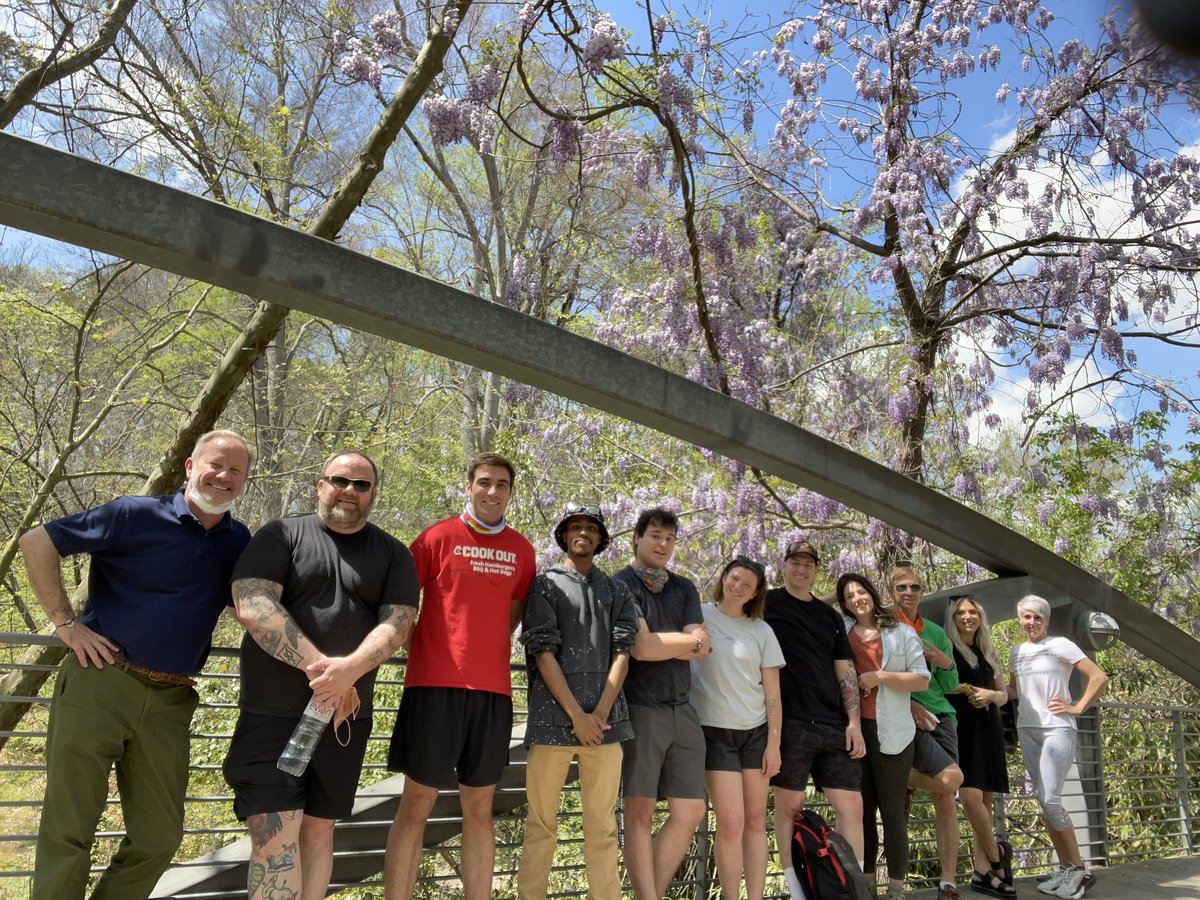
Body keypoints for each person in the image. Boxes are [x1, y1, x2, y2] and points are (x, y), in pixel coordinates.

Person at [22, 430, 252, 900]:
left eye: (235, 470)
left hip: (172, 698)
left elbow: (248, 606)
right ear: (191, 466)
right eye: (215, 464)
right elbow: (36, 541)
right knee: (70, 829)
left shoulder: (238, 539)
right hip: (101, 683)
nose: (223, 476)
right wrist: (66, 625)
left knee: (159, 837)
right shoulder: (133, 514)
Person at [224, 449, 420, 900]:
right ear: (320, 485)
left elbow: (399, 623)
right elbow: (253, 606)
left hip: (343, 722)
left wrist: (348, 672)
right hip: (272, 715)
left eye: (361, 485)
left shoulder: (393, 553)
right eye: (339, 480)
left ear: (373, 494)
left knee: (317, 833)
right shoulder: (281, 536)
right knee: (274, 839)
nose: (349, 491)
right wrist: (327, 675)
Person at [384, 452, 536, 900]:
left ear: (510, 492)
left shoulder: (523, 550)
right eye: (484, 482)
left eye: (502, 485)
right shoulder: (435, 537)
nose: (492, 492)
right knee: (416, 804)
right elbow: (401, 610)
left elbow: (511, 616)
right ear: (468, 486)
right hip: (433, 688)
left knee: (480, 810)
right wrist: (434, 653)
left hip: (493, 693)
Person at [516, 504, 640, 900]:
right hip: (552, 725)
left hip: (606, 726)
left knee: (603, 828)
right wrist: (576, 716)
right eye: (575, 527)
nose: (583, 533)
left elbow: (623, 652)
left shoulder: (617, 590)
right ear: (565, 536)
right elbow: (542, 651)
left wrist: (599, 714)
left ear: (601, 538)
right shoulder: (545, 585)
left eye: (591, 528)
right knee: (540, 827)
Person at [613, 507, 712, 900]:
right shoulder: (619, 585)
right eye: (656, 536)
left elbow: (703, 645)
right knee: (640, 811)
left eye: (670, 538)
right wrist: (686, 643)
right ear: (637, 537)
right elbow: (641, 648)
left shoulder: (684, 587)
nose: (663, 545)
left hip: (684, 708)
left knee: (690, 811)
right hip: (640, 706)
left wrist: (668, 644)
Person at [764, 540, 866, 900]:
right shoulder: (767, 603)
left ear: (816, 570)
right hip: (790, 722)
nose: (801, 569)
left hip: (831, 724)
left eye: (808, 564)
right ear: (785, 565)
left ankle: (850, 889)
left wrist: (853, 721)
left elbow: (845, 669)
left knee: (851, 806)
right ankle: (797, 891)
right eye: (795, 562)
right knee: (789, 810)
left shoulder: (830, 617)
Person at [690, 556, 785, 900]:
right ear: (724, 577)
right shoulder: (698, 615)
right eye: (735, 578)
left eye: (748, 584)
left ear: (755, 592)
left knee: (757, 821)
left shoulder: (762, 630)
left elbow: (773, 693)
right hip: (714, 732)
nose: (738, 587)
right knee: (731, 823)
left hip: (756, 733)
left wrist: (774, 744)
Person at [836, 573, 930, 900]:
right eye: (849, 596)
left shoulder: (901, 632)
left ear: (871, 594)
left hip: (895, 731)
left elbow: (921, 680)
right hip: (856, 731)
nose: (857, 599)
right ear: (844, 603)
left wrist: (881, 676)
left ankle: (897, 889)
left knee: (892, 811)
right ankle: (867, 886)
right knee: (862, 809)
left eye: (861, 592)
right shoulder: (842, 634)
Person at [1009, 595, 1108, 900]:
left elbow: (1098, 676)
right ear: (1020, 620)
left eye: (1038, 617)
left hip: (1057, 730)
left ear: (1047, 620)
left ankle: (1079, 869)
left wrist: (1077, 707)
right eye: (1027, 617)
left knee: (1051, 800)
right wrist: (984, 691)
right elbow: (1014, 689)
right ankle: (1065, 867)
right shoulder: (1017, 651)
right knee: (1043, 801)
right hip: (1027, 729)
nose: (1032, 622)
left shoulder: (1061, 644)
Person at [889, 567, 964, 900]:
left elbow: (948, 687)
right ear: (891, 591)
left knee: (946, 797)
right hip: (903, 718)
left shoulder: (934, 631)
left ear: (922, 591)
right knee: (950, 780)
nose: (908, 592)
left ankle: (948, 880)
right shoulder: (884, 626)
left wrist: (946, 663)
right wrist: (908, 707)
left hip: (942, 718)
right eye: (901, 587)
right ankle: (896, 885)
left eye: (915, 587)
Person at [944, 595, 1017, 898]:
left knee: (984, 805)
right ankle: (998, 860)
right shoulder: (948, 647)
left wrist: (990, 695)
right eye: (961, 612)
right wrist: (967, 690)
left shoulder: (988, 650)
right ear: (953, 617)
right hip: (962, 727)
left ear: (980, 616)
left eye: (972, 612)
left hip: (988, 728)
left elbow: (1004, 695)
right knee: (972, 798)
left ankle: (981, 871)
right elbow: (942, 685)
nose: (967, 617)